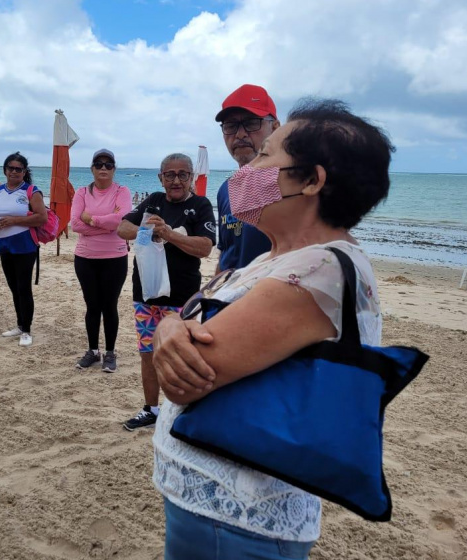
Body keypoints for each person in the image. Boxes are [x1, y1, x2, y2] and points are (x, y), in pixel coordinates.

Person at [151, 99, 392, 559]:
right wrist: (167, 326)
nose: (248, 167)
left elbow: (186, 376)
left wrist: (172, 330)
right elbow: (181, 323)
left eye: (267, 156)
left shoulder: (322, 267)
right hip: (208, 505)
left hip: (238, 522)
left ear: (312, 180)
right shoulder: (272, 258)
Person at [117, 154, 216, 431]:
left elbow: (206, 247)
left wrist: (169, 233)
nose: (176, 180)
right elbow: (122, 228)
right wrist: (145, 229)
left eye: (182, 174)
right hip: (146, 295)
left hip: (181, 299)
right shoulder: (154, 201)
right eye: (169, 174)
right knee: (148, 353)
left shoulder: (200, 205)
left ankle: (180, 411)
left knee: (181, 354)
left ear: (191, 178)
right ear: (160, 177)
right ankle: (151, 409)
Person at [70, 149, 132, 372]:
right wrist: (105, 225)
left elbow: (120, 220)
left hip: (115, 258)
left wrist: (92, 220)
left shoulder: (122, 191)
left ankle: (110, 353)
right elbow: (75, 224)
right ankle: (93, 350)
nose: (103, 168)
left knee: (110, 305)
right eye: (99, 164)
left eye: (108, 164)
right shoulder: (81, 193)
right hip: (85, 258)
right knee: (92, 305)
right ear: (92, 169)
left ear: (114, 169)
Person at [0, 152, 47, 347]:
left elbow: (41, 217)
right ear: (5, 170)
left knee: (23, 287)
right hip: (3, 244)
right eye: (10, 168)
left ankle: (26, 330)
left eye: (18, 169)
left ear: (24, 172)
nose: (14, 172)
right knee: (13, 287)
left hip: (25, 245)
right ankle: (19, 324)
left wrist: (15, 221)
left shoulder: (31, 191)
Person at [215, 84, 280, 272]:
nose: (240, 134)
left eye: (252, 123)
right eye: (230, 126)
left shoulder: (292, 186)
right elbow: (226, 252)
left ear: (275, 128)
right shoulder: (226, 190)